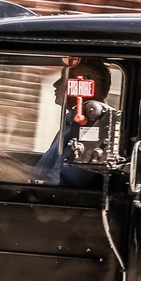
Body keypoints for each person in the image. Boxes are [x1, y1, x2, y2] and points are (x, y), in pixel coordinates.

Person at [33, 58, 111, 187]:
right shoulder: (73, 122)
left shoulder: (94, 126)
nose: (55, 84)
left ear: (83, 84)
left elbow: (63, 187)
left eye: (63, 78)